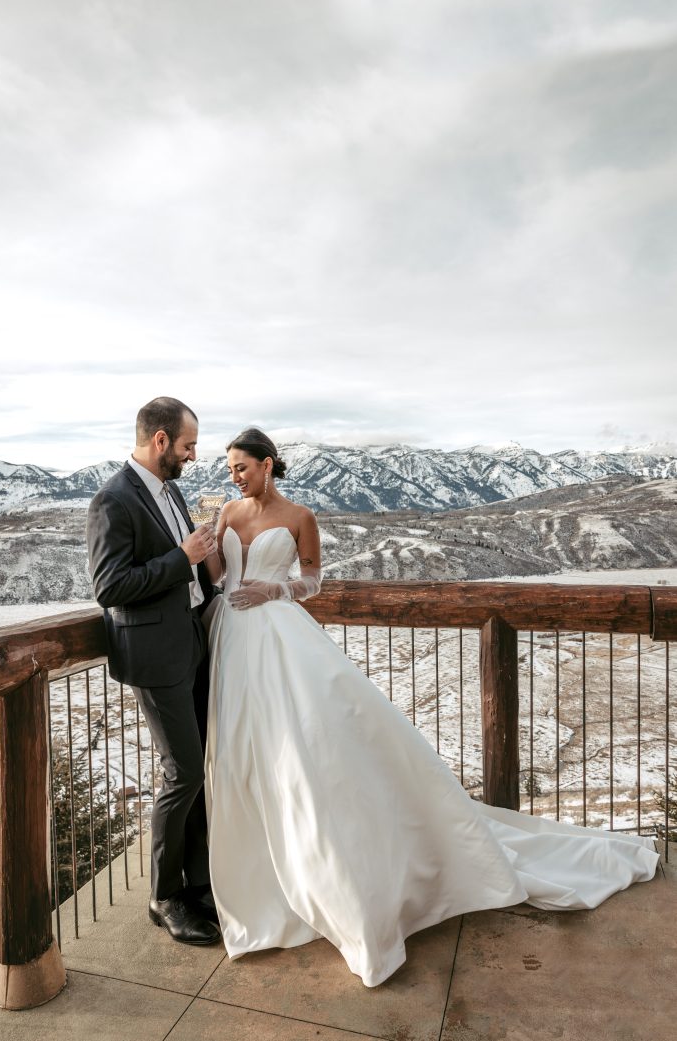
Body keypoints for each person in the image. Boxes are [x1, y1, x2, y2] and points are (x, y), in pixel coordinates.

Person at [202, 427, 659, 988]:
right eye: (230, 466)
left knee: (307, 747)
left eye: (242, 465)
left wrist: (275, 591)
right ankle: (259, 877)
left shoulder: (300, 517)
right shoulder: (224, 511)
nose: (234, 474)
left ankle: (339, 873)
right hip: (231, 637)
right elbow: (220, 578)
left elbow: (313, 582)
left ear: (267, 464)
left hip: (279, 637)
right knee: (240, 753)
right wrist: (208, 554)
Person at [86, 397, 221, 946]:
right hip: (155, 660)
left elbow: (188, 568)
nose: (193, 455)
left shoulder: (172, 490)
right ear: (160, 440)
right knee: (182, 772)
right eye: (188, 445)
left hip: (190, 644)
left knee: (200, 769)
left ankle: (201, 883)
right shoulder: (112, 501)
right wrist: (182, 557)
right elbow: (110, 587)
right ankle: (164, 898)